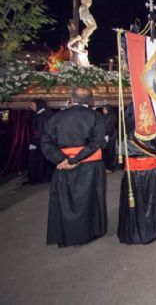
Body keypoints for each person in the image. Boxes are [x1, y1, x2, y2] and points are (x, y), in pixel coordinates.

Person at [40, 87, 107, 247]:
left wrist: (62, 159)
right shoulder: (96, 116)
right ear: (91, 100)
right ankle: (90, 231)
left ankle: (67, 234)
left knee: (66, 201)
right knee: (90, 199)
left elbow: (45, 141)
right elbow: (97, 142)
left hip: (64, 165)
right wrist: (75, 159)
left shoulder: (57, 117)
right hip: (89, 164)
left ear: (72, 98)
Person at [118, 103, 156, 244]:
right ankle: (151, 230)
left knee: (133, 201)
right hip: (149, 169)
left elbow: (119, 149)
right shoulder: (152, 126)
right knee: (150, 200)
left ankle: (131, 232)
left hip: (131, 170)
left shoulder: (124, 127)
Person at [26, 99, 53, 184]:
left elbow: (42, 130)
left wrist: (36, 141)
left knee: (39, 159)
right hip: (38, 141)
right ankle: (36, 177)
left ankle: (39, 177)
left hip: (41, 142)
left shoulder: (45, 115)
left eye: (32, 105)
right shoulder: (39, 114)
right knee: (35, 159)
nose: (31, 107)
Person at [101, 105, 118, 173]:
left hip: (110, 136)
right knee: (105, 152)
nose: (103, 110)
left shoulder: (111, 117)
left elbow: (110, 128)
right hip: (106, 136)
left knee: (110, 153)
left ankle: (110, 167)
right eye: (103, 109)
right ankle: (106, 167)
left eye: (105, 109)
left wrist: (105, 134)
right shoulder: (104, 117)